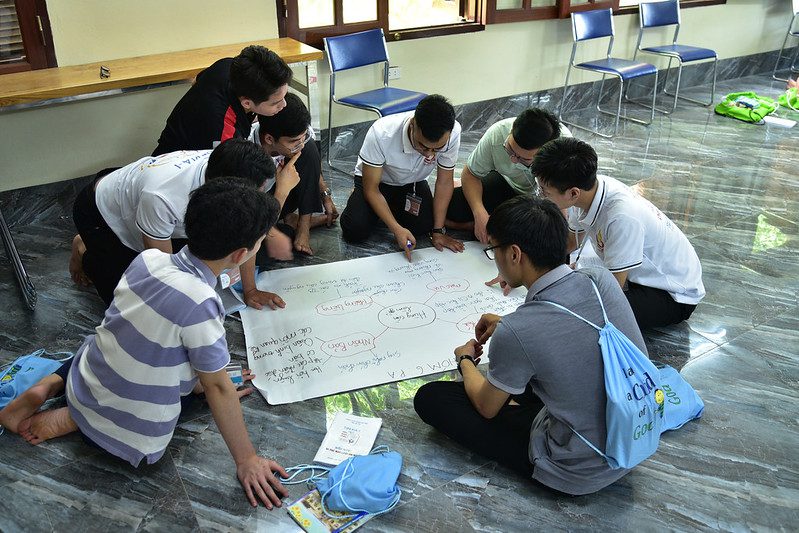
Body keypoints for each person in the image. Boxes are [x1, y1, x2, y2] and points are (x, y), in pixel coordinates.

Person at [0, 179, 290, 509]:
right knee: (195, 398)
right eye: (260, 242)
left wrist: (212, 377)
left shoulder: (149, 259)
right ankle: (76, 419)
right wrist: (247, 459)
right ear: (240, 255)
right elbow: (218, 388)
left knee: (113, 340)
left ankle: (53, 386)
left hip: (86, 374)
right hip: (119, 427)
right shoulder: (202, 302)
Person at [414, 196, 648, 495]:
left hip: (577, 468)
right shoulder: (599, 278)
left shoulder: (519, 331)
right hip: (634, 436)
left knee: (432, 397)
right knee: (525, 374)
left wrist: (465, 361)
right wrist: (509, 326)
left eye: (493, 250)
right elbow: (574, 329)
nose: (494, 258)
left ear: (514, 254)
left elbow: (486, 407)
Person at [69, 139, 299, 309]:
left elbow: (248, 233)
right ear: (229, 187)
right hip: (103, 216)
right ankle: (84, 247)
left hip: (161, 217)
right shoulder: (163, 197)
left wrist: (250, 290)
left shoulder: (228, 165)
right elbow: (161, 271)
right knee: (133, 306)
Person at [531, 137, 705, 329]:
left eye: (545, 192)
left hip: (672, 294)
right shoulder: (588, 190)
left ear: (573, 193)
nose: (541, 196)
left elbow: (613, 291)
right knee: (567, 288)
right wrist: (526, 268)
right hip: (632, 273)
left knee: (582, 313)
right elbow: (570, 242)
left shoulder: (621, 218)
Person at [339, 94, 465, 261]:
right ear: (413, 124)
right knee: (355, 229)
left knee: (422, 227)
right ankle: (361, 197)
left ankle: (388, 207)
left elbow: (444, 182)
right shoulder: (382, 133)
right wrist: (396, 228)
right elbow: (371, 189)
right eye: (423, 146)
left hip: (413, 183)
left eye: (437, 149)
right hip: (378, 182)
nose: (429, 155)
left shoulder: (453, 132)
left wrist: (438, 231)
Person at [446, 108, 572, 243]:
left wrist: (560, 228)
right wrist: (479, 213)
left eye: (524, 159)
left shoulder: (564, 151)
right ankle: (486, 224)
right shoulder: (497, 133)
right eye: (509, 149)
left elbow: (561, 199)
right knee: (453, 207)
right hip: (507, 183)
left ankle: (494, 226)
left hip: (543, 199)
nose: (513, 160)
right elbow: (470, 174)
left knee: (538, 235)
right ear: (511, 131)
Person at [153, 45, 293, 156]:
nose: (284, 105)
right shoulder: (223, 132)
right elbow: (226, 179)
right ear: (247, 103)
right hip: (177, 168)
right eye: (276, 103)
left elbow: (196, 81)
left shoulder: (228, 65)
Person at [249, 93, 338, 256]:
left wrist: (325, 194)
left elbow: (309, 162)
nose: (300, 144)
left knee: (309, 149)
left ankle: (304, 225)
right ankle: (290, 222)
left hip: (285, 193)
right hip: (260, 205)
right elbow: (250, 219)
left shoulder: (298, 134)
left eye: (303, 137)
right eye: (294, 141)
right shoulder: (247, 156)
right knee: (267, 244)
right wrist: (282, 189)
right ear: (269, 139)